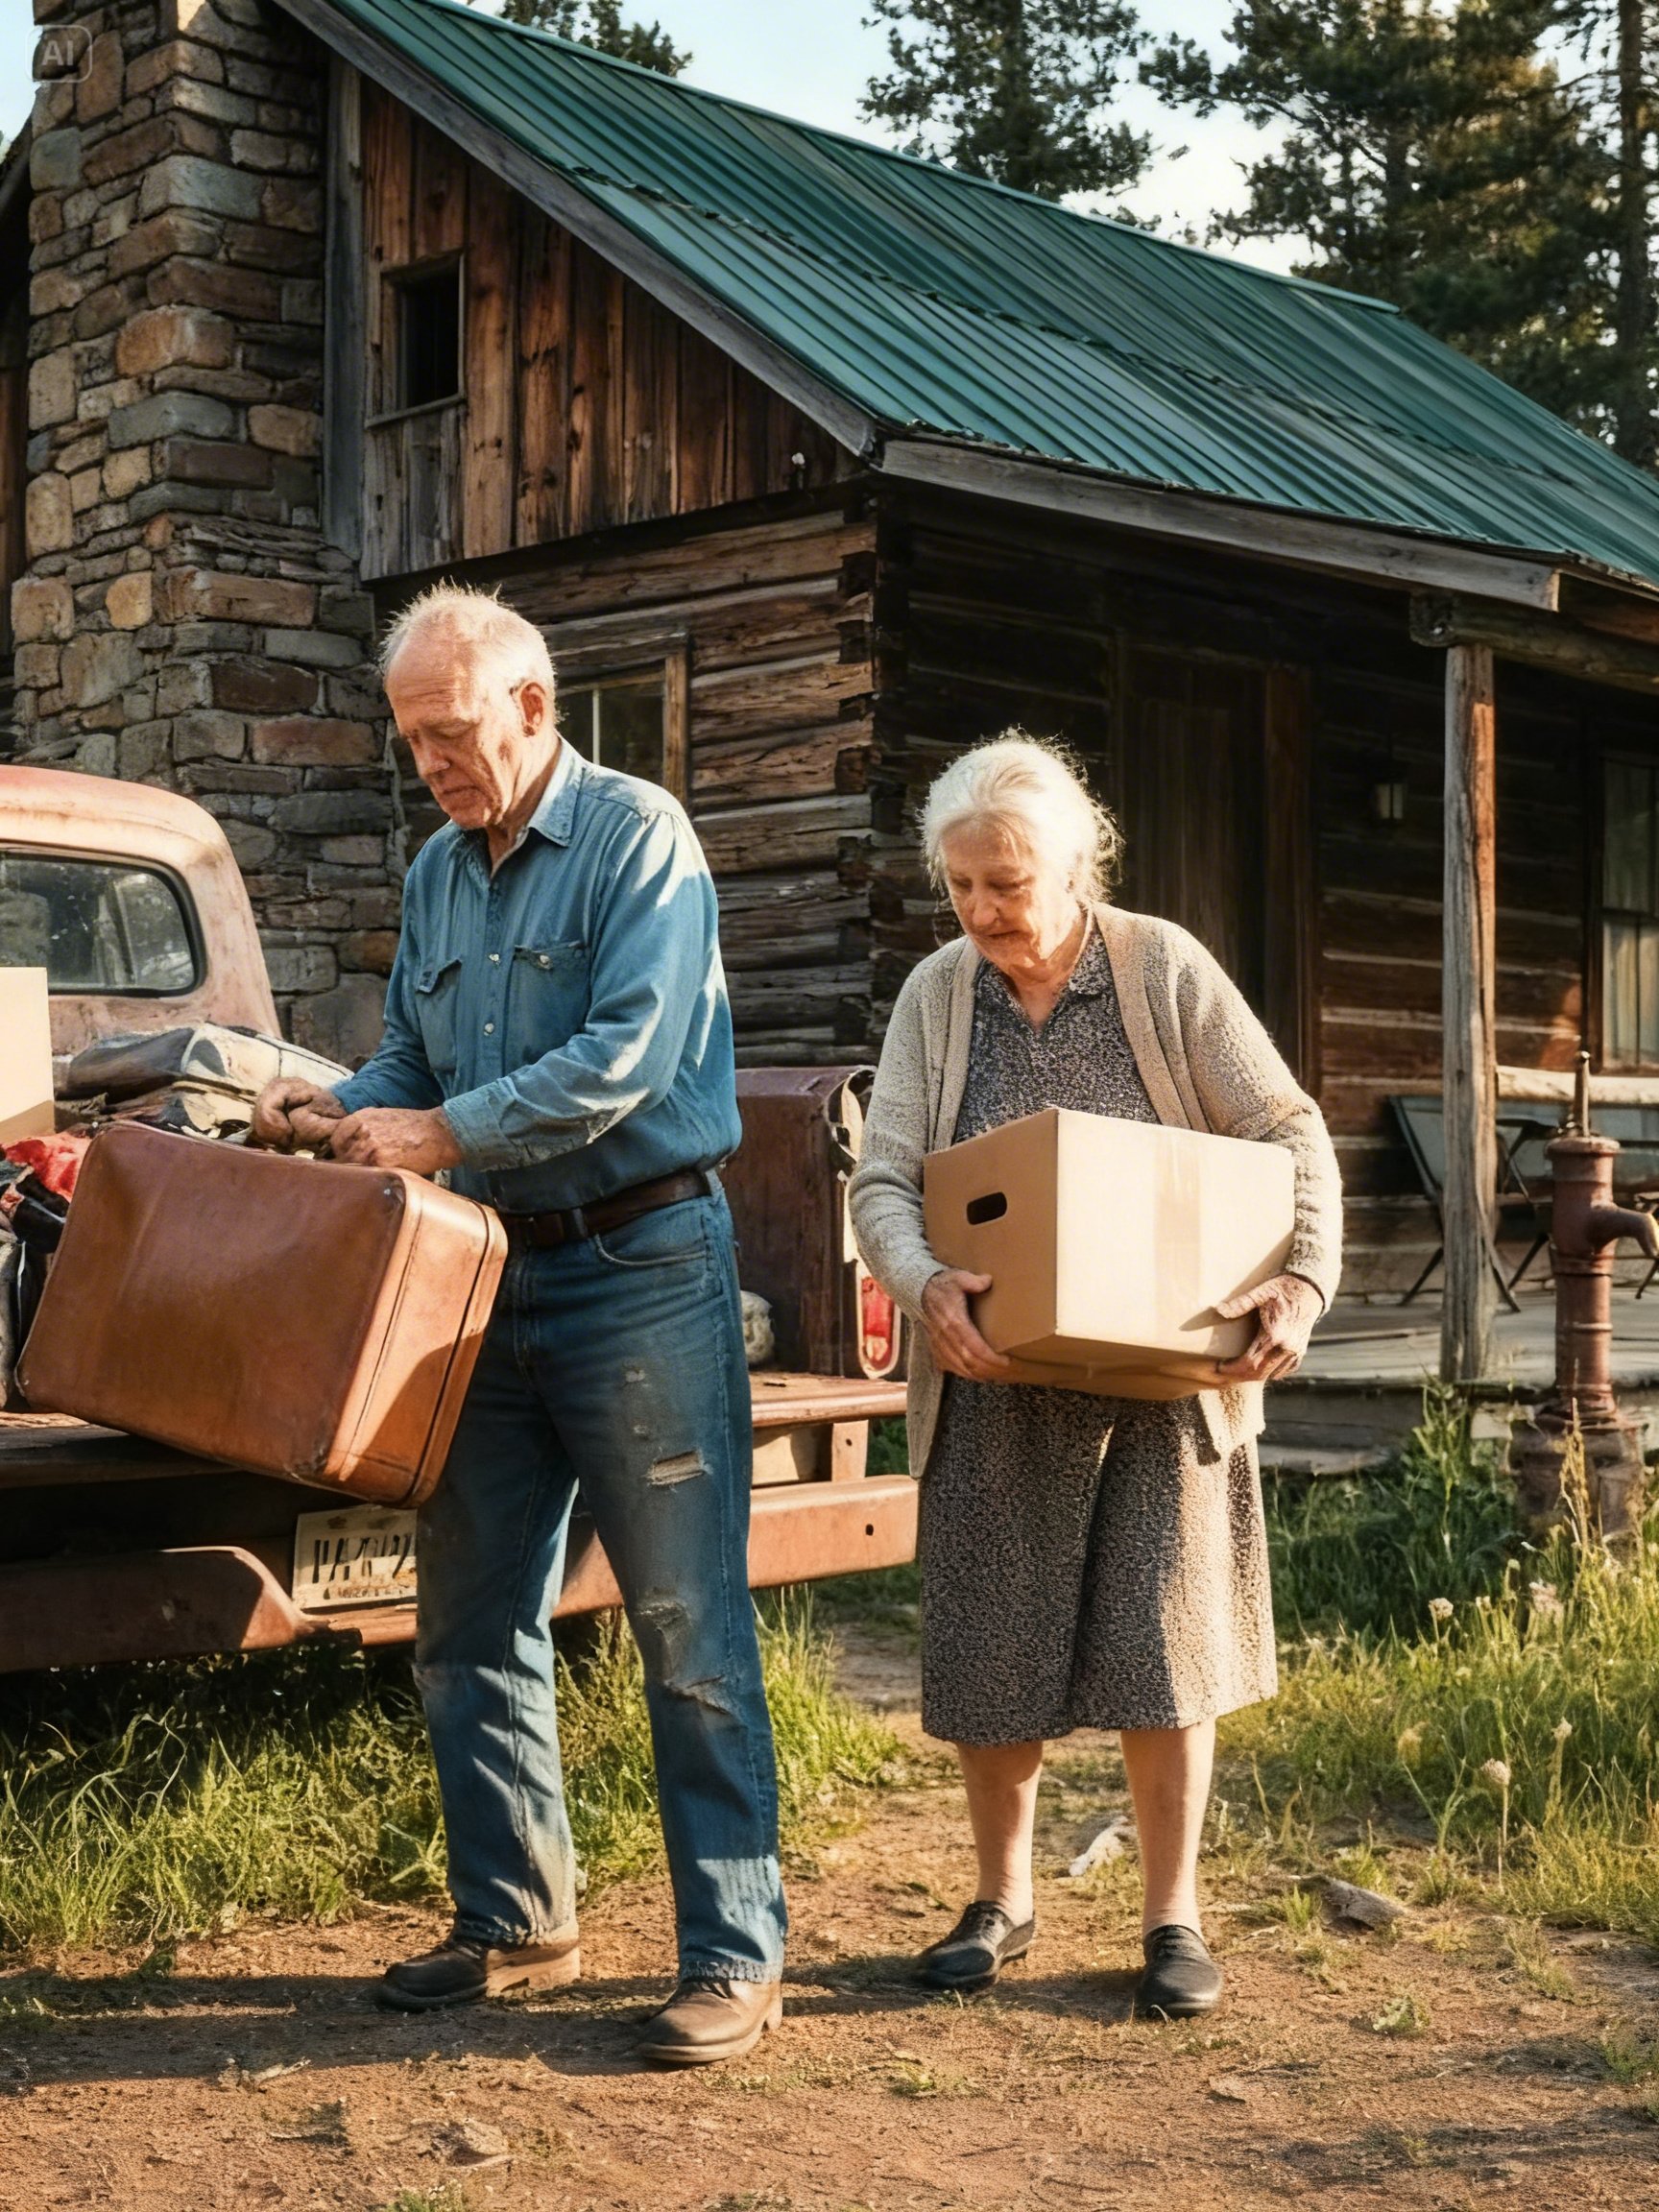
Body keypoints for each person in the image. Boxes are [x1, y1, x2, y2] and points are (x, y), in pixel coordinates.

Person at [251, 584, 785, 2068]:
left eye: (451, 732)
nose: (431, 762)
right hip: (485, 1273)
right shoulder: (436, 870)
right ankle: (517, 1915)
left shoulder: (639, 839)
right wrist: (333, 1107)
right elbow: (413, 1058)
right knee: (470, 1620)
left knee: (686, 1628)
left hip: (644, 1264)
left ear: (534, 709)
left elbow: (627, 1061)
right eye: (412, 739)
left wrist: (431, 1132)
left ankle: (736, 1956)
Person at [848, 733, 1341, 2020]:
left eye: (1005, 883)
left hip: (1165, 1378)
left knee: (1166, 1646)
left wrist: (1302, 1283)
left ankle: (1171, 1917)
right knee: (991, 1641)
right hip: (996, 1370)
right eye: (960, 886)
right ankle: (1001, 1899)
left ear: (1078, 865)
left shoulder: (1163, 969)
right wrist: (921, 1283)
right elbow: (884, 1177)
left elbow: (1290, 1130)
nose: (981, 911)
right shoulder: (935, 998)